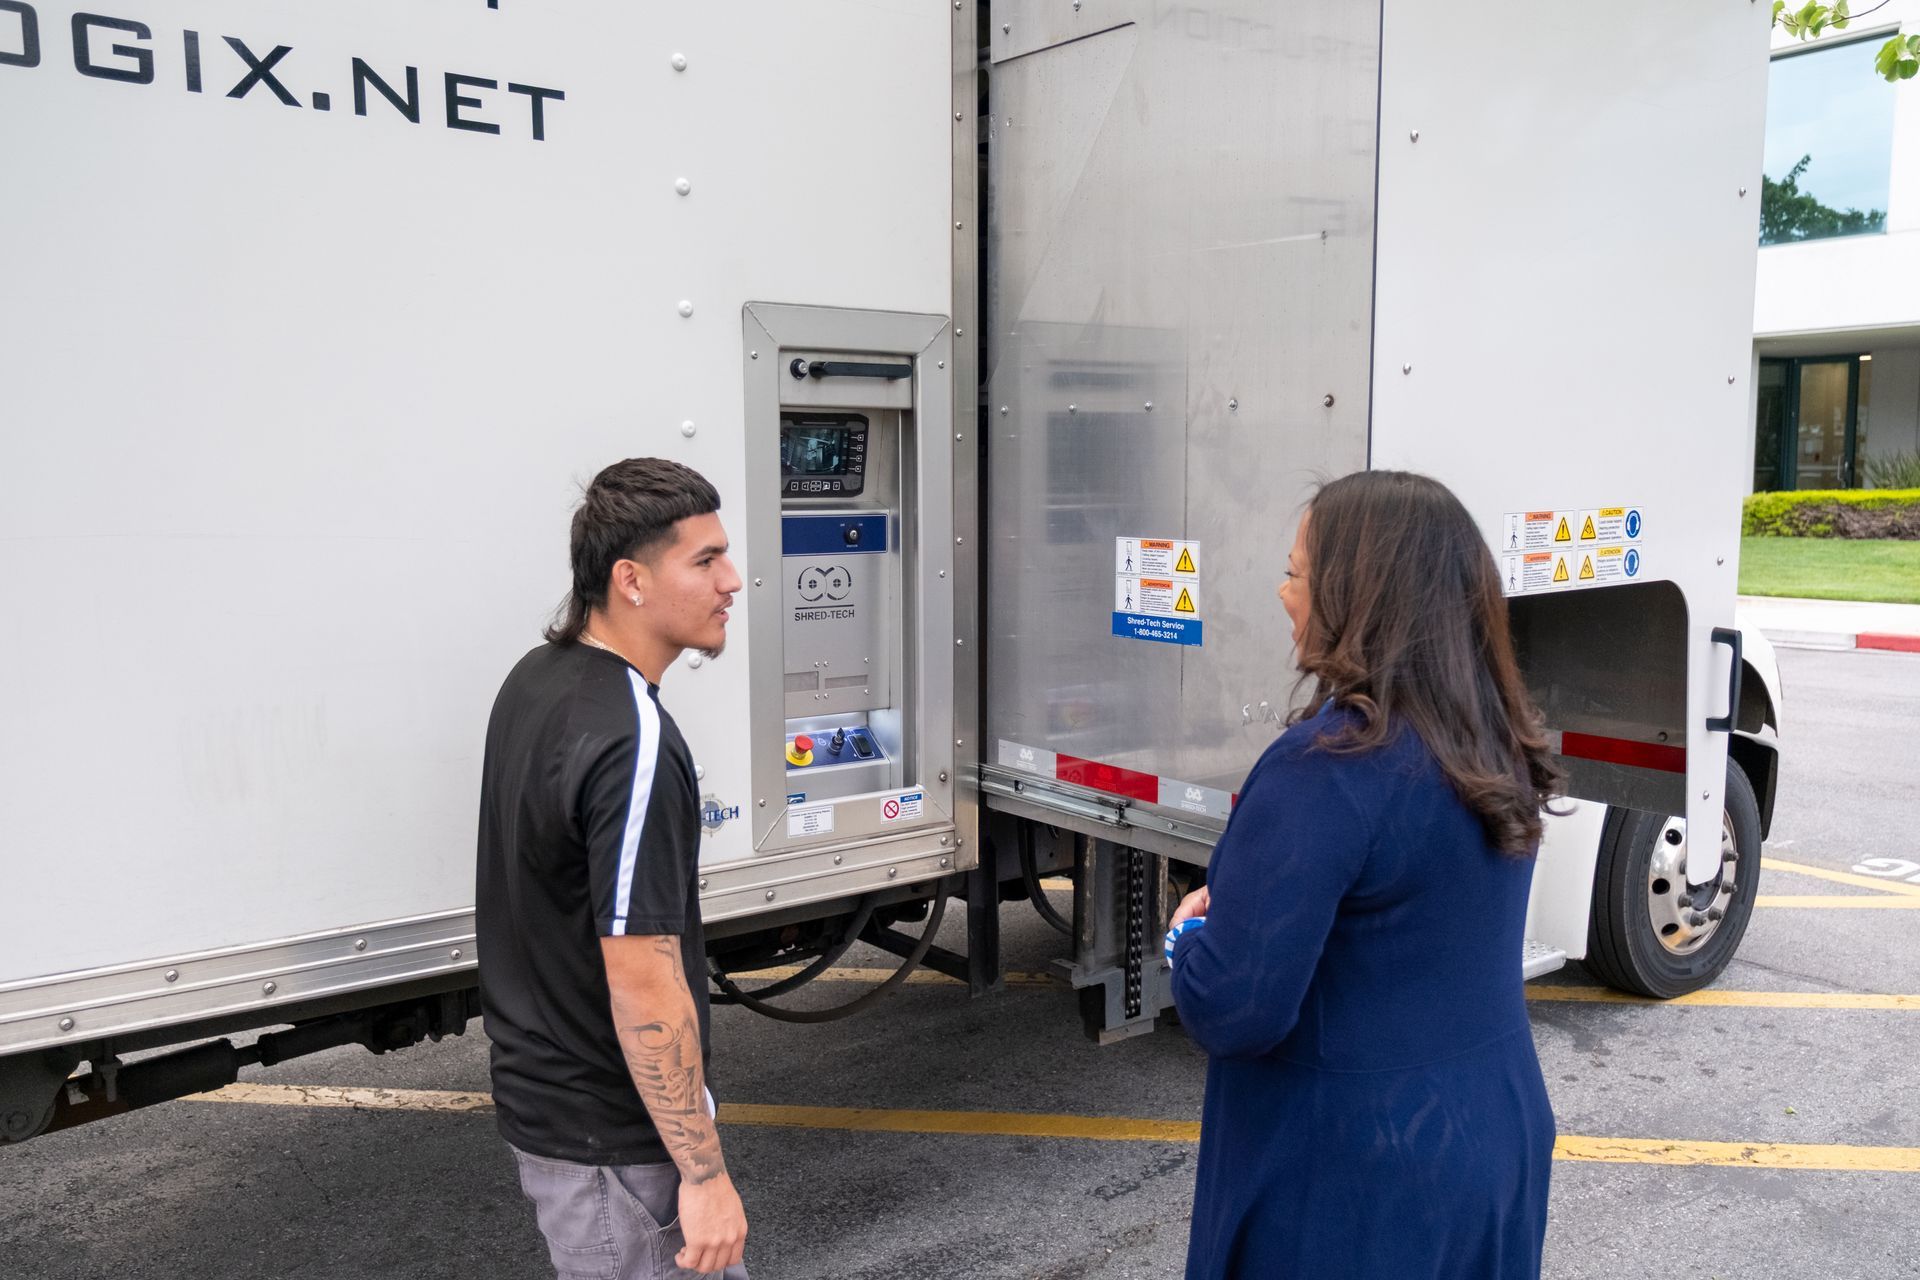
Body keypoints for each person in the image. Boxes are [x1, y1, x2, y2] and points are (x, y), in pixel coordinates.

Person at [1168, 470, 1562, 1280]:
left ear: (1356, 595)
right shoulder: (1493, 734)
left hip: (1357, 1178)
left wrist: (1193, 932)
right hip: (1496, 1138)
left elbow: (1237, 1009)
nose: (1283, 595)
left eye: (1297, 573)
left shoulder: (1328, 766)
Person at [477, 457, 749, 1279]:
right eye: (704, 561)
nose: (732, 581)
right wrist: (702, 1176)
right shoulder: (633, 739)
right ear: (630, 580)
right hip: (618, 1147)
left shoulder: (537, 679)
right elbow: (641, 977)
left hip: (552, 1110)